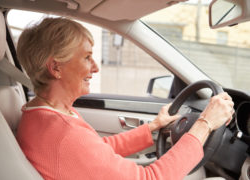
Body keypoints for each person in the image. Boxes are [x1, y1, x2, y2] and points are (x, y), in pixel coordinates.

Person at [16, 17, 234, 180]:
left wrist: (154, 126)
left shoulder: (41, 113)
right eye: (87, 57)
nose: (96, 68)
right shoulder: (62, 132)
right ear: (56, 67)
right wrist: (205, 124)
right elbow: (152, 177)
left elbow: (99, 148)